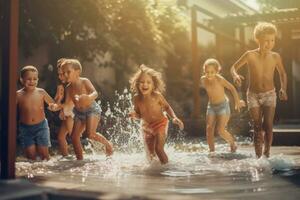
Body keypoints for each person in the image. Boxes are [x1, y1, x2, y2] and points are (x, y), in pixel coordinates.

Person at [230, 22, 288, 158]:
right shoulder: (250, 55)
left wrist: (283, 89)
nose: (270, 43)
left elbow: (283, 73)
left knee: (267, 125)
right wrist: (235, 75)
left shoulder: (275, 57)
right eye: (266, 40)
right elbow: (233, 67)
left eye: (272, 40)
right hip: (253, 95)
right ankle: (258, 157)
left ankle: (267, 154)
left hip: (270, 94)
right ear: (258, 39)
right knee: (257, 126)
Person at [129, 64, 184, 164]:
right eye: (142, 82)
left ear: (153, 85)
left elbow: (167, 107)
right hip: (146, 127)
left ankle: (166, 169)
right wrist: (134, 115)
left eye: (148, 82)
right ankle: (155, 172)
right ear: (137, 84)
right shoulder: (136, 99)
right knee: (150, 155)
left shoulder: (157, 96)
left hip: (160, 124)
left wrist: (174, 117)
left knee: (158, 149)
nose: (145, 84)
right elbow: (139, 115)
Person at [61, 59, 113, 160]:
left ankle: (108, 145)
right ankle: (79, 158)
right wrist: (61, 109)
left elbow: (95, 93)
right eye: (63, 73)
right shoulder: (68, 88)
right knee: (74, 136)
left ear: (77, 72)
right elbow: (67, 104)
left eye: (68, 72)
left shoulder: (84, 81)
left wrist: (89, 97)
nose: (65, 74)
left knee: (90, 134)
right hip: (79, 113)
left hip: (91, 110)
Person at [201, 59, 244, 153]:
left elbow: (232, 88)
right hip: (211, 107)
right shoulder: (203, 80)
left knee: (220, 130)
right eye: (207, 72)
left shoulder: (220, 79)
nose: (209, 74)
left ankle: (232, 144)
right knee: (209, 129)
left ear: (217, 71)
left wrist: (237, 101)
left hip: (223, 107)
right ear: (204, 71)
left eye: (212, 72)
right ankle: (211, 151)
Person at [17, 65, 59, 160]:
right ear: (21, 80)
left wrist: (54, 106)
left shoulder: (41, 92)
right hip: (25, 128)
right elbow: (10, 109)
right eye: (28, 79)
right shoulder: (18, 95)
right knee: (31, 156)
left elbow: (52, 103)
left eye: (34, 79)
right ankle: (34, 172)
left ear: (38, 80)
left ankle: (45, 172)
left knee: (44, 155)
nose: (32, 81)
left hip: (41, 126)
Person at [54, 58, 74, 157]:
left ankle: (81, 157)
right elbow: (57, 102)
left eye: (62, 74)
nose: (60, 76)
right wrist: (58, 97)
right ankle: (66, 157)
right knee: (61, 137)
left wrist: (62, 109)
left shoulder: (72, 84)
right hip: (66, 112)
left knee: (74, 137)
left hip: (72, 114)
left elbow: (70, 103)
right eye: (59, 74)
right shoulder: (61, 86)